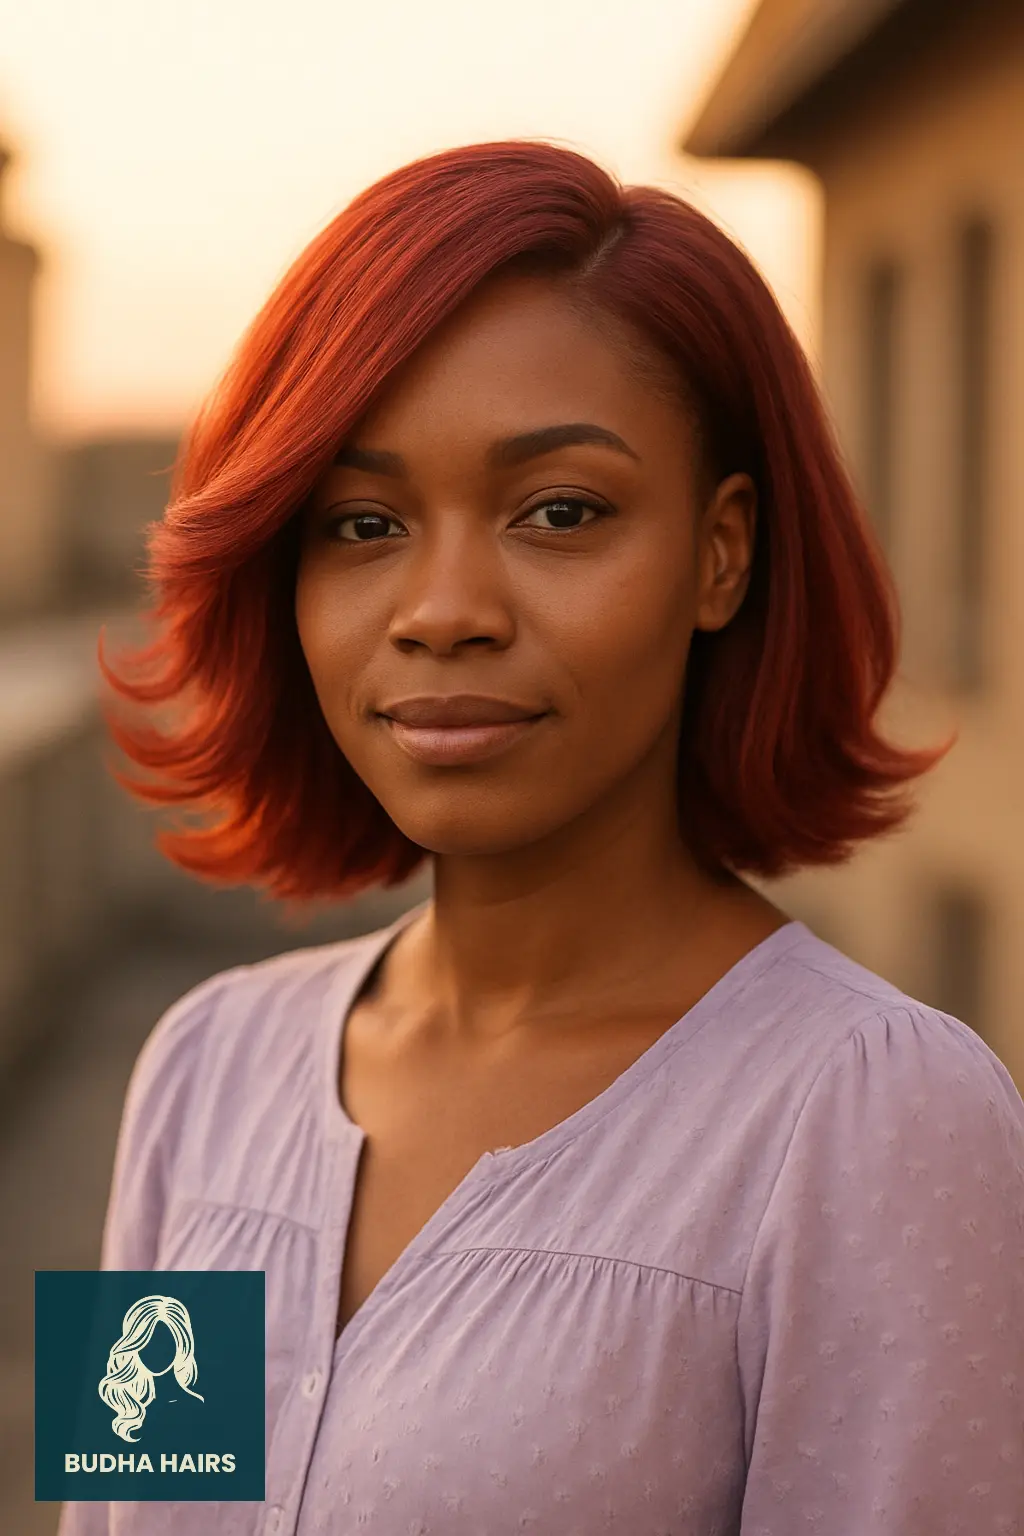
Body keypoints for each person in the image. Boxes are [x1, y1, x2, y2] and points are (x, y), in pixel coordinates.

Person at [59, 139, 1024, 1535]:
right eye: (363, 521)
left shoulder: (870, 1118)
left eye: (560, 511)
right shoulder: (207, 1070)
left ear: (721, 553)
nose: (444, 607)